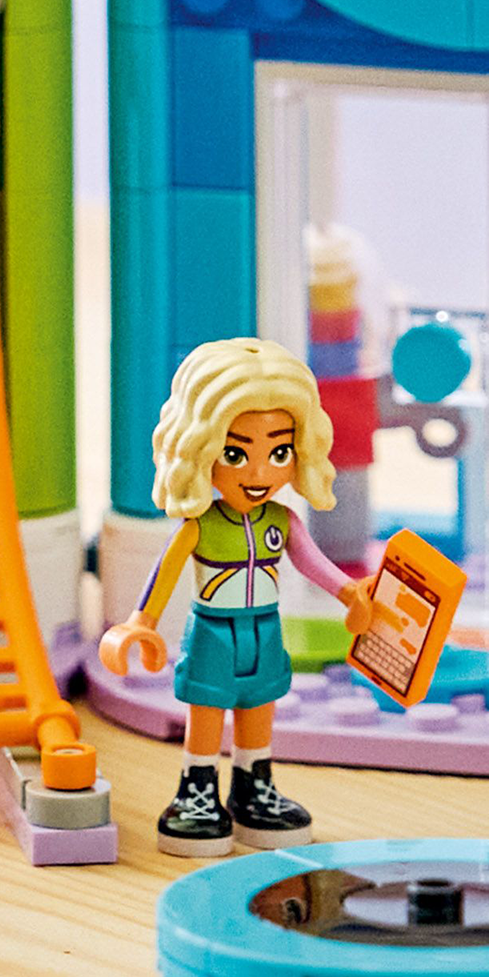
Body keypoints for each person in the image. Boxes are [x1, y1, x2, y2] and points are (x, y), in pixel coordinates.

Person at [99, 338, 374, 856]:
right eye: (235, 453)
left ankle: (254, 788)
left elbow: (312, 563)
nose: (259, 473)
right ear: (199, 448)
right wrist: (140, 622)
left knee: (259, 705)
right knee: (207, 708)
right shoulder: (199, 524)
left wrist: (350, 593)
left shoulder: (282, 520)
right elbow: (165, 572)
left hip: (264, 629)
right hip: (213, 631)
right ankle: (197, 792)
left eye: (279, 452)